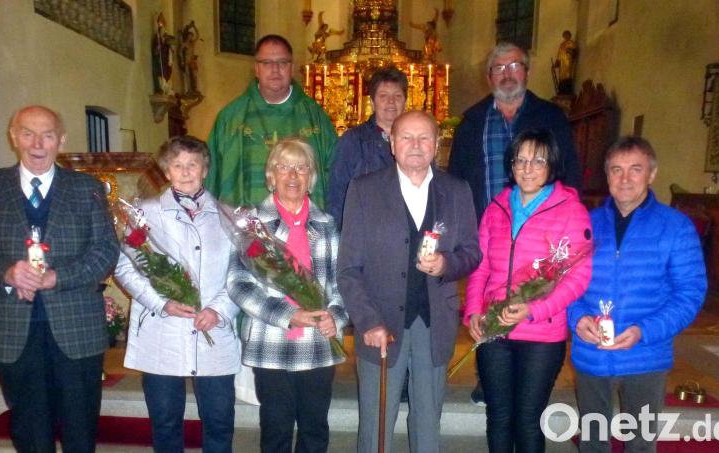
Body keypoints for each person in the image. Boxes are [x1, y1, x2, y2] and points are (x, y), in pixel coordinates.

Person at [0, 105, 120, 452]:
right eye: (28, 133)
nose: (38, 143)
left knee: (80, 426)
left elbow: (105, 251)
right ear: (14, 136)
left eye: (47, 134)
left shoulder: (87, 188)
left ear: (60, 140)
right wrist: (6, 273)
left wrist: (56, 278)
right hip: (12, 326)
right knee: (30, 427)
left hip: (76, 324)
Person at [448, 41, 582, 405]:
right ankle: (489, 380)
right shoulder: (473, 120)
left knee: (531, 300)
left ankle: (527, 379)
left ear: (526, 71)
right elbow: (458, 178)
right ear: (488, 75)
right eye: (499, 68)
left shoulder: (551, 116)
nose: (507, 75)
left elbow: (569, 171)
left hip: (541, 233)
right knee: (488, 298)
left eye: (514, 66)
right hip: (489, 227)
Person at [339, 111, 480, 453]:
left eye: (424, 138)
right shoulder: (363, 190)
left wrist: (447, 263)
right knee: (376, 423)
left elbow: (472, 252)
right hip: (380, 324)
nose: (415, 145)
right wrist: (367, 320)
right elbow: (348, 269)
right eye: (406, 137)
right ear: (391, 143)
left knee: (428, 420)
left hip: (434, 323)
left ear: (437, 143)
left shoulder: (457, 190)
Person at [568, 136, 707, 453]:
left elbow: (690, 293)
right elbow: (565, 285)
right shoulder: (584, 225)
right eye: (616, 170)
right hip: (592, 354)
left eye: (635, 169)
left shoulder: (675, 227)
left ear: (652, 174)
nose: (625, 179)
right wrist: (576, 318)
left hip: (646, 356)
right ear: (607, 176)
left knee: (641, 445)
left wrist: (644, 331)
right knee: (592, 443)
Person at [462, 128, 592, 453]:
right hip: (495, 331)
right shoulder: (497, 208)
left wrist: (535, 309)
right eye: (520, 160)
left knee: (527, 419)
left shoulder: (570, 210)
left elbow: (578, 277)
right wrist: (474, 311)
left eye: (537, 160)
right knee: (499, 416)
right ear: (511, 164)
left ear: (552, 165)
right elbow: (480, 267)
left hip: (541, 337)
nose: (527, 168)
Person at [114, 136, 240, 453]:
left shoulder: (229, 217)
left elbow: (243, 273)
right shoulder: (144, 213)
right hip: (162, 330)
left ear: (205, 169)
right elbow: (124, 266)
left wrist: (219, 310)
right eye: (178, 165)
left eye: (193, 164)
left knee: (220, 421)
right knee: (166, 423)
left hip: (213, 328)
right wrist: (160, 303)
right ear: (167, 171)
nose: (185, 172)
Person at [227, 137, 348, 453]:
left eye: (301, 167)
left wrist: (335, 316)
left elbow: (343, 283)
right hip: (272, 340)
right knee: (276, 431)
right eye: (284, 167)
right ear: (271, 175)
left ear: (311, 177)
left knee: (314, 430)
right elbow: (238, 284)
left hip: (319, 341)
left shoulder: (327, 225)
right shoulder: (253, 225)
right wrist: (287, 314)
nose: (293, 176)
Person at [206, 34, 337, 209]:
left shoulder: (316, 117)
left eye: (282, 62)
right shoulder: (231, 117)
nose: (275, 69)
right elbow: (210, 174)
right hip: (243, 229)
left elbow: (335, 172)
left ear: (292, 67)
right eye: (267, 63)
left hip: (304, 229)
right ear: (256, 69)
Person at [327, 66, 408, 228]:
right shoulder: (353, 140)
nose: (391, 102)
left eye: (397, 96)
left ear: (405, 101)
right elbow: (337, 194)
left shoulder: (415, 140)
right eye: (383, 96)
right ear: (372, 102)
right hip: (364, 231)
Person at [554, 30, 578, 95]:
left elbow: (574, 52)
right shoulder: (562, 44)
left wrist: (570, 51)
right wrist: (557, 62)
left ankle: (567, 90)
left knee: (568, 75)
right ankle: (562, 90)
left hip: (568, 61)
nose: (566, 36)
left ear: (569, 35)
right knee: (561, 76)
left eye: (567, 35)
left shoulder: (572, 43)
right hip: (562, 63)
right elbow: (559, 55)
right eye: (564, 35)